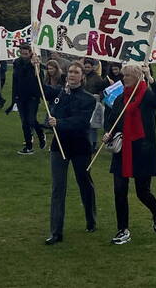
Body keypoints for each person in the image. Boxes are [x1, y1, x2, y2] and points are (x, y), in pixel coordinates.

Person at [103, 62, 156, 245]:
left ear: (137, 77)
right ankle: (123, 230)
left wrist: (151, 78)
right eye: (123, 76)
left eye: (128, 76)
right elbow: (111, 121)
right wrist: (108, 134)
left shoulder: (147, 95)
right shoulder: (119, 99)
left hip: (142, 149)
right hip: (122, 150)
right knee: (119, 191)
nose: (124, 79)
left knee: (142, 192)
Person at [35, 58, 97, 245]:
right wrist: (35, 68)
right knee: (57, 188)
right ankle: (56, 232)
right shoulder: (60, 94)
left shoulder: (88, 99)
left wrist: (60, 123)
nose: (71, 75)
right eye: (69, 72)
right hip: (59, 146)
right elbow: (41, 89)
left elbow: (81, 121)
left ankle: (91, 218)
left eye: (76, 72)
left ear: (82, 77)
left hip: (80, 147)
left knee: (84, 183)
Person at [10, 43, 46, 154]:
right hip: (21, 96)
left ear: (30, 52)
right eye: (22, 53)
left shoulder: (36, 63)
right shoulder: (17, 62)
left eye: (26, 53)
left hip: (32, 96)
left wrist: (36, 66)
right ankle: (29, 146)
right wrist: (14, 97)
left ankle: (40, 134)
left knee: (31, 119)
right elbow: (18, 76)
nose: (24, 55)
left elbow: (38, 78)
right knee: (24, 122)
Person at [82, 58, 108, 149]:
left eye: (88, 67)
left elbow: (103, 91)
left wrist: (98, 97)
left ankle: (93, 144)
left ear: (92, 67)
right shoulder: (82, 76)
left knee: (93, 125)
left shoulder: (97, 78)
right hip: (83, 102)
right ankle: (86, 142)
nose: (87, 69)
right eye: (85, 67)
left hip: (94, 103)